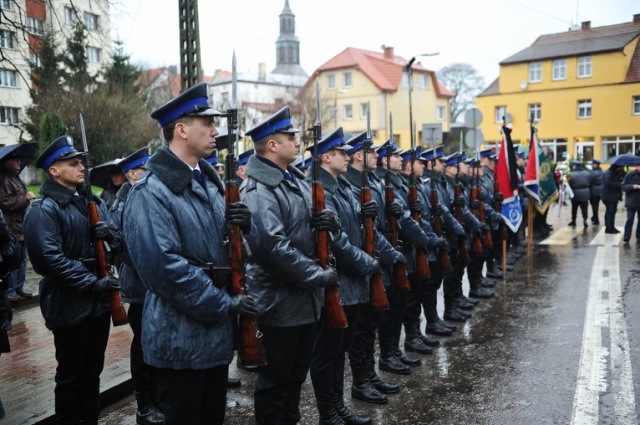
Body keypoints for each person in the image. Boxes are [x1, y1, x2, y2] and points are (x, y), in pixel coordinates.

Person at [123, 82, 258, 425]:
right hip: (178, 338)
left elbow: (233, 253)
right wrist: (223, 304)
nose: (216, 131)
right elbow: (165, 269)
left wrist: (245, 229)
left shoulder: (209, 184)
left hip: (212, 335)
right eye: (207, 124)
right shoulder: (151, 191)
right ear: (181, 130)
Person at [240, 106, 340, 425]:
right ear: (272, 145)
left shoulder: (291, 180)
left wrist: (330, 222)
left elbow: (307, 227)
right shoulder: (258, 189)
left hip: (302, 301)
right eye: (290, 137)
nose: (297, 143)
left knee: (295, 379)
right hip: (278, 304)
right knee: (275, 385)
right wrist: (318, 276)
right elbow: (273, 248)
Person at [24, 135, 123, 425]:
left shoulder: (90, 201)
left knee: (93, 372)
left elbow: (118, 238)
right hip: (70, 305)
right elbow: (48, 260)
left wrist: (109, 237)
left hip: (99, 303)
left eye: (81, 162)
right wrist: (91, 283)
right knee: (71, 377)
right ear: (54, 170)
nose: (81, 168)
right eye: (73, 163)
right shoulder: (43, 209)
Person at [306, 128, 376, 425]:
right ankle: (327, 412)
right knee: (326, 354)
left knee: (339, 353)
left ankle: (338, 406)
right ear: (326, 157)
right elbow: (339, 242)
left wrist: (366, 215)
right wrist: (368, 263)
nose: (348, 156)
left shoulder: (342, 187)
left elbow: (357, 233)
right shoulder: (320, 191)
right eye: (341, 152)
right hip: (337, 285)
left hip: (352, 285)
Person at [110, 147, 164, 425]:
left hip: (152, 285)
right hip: (140, 288)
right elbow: (128, 249)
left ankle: (157, 398)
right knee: (143, 347)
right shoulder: (122, 204)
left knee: (155, 345)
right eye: (146, 169)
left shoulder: (144, 196)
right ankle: (144, 405)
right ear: (132, 173)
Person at [0, 151, 36, 302]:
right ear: (7, 162)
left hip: (21, 225)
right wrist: (25, 197)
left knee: (22, 258)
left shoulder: (13, 176)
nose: (19, 162)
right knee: (14, 258)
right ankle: (10, 290)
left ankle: (19, 288)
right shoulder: (3, 178)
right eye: (16, 160)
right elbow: (4, 201)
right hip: (12, 226)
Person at [567, 161, 590, 228]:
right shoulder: (587, 173)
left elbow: (569, 184)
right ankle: (585, 220)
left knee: (574, 208)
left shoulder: (570, 174)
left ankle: (573, 221)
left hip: (575, 193)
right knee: (584, 208)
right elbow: (590, 181)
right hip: (585, 193)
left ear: (575, 166)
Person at [601, 165, 623, 234]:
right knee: (609, 212)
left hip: (614, 196)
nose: (621, 168)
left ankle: (612, 227)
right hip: (608, 196)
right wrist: (620, 184)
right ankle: (608, 228)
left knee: (613, 212)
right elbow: (609, 183)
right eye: (620, 167)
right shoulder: (609, 173)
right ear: (617, 167)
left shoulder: (615, 172)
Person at [622, 163, 640, 243]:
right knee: (630, 219)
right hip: (631, 201)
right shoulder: (630, 175)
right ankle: (627, 236)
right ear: (637, 166)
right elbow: (623, 187)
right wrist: (632, 186)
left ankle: (639, 236)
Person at [588, 159, 603, 225]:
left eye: (593, 164)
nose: (592, 165)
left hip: (593, 190)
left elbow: (589, 181)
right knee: (596, 205)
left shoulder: (592, 172)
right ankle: (594, 217)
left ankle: (596, 219)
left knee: (594, 205)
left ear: (595, 165)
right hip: (601, 190)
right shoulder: (602, 172)